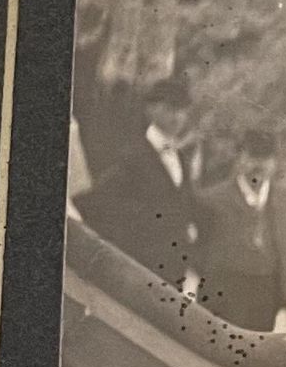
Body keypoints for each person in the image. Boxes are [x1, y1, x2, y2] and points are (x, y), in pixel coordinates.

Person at [73, 75, 200, 292]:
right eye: (170, 107)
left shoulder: (181, 160)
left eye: (182, 110)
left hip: (171, 269)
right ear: (152, 108)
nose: (177, 116)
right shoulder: (132, 154)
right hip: (138, 264)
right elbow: (102, 202)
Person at [193, 129, 286, 331]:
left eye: (266, 158)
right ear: (239, 158)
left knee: (261, 345)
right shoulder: (212, 200)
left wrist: (285, 290)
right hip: (225, 294)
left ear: (274, 162)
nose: (258, 165)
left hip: (267, 294)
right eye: (252, 156)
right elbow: (198, 248)